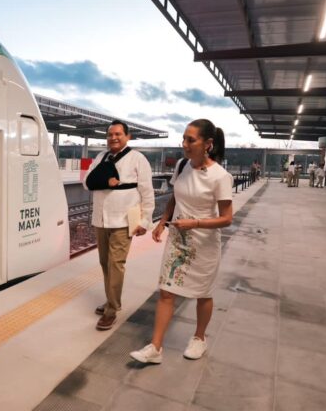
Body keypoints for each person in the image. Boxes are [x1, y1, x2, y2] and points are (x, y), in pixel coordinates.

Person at [130, 119, 233, 364]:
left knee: (202, 294)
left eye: (191, 140)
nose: (184, 144)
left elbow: (227, 219)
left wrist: (195, 223)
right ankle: (156, 348)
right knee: (166, 291)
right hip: (178, 239)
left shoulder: (220, 177)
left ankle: (199, 338)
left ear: (207, 144)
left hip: (204, 245)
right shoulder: (182, 165)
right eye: (184, 138)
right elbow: (174, 198)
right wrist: (163, 221)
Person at [83, 120, 154, 331]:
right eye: (110, 134)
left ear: (128, 136)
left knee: (116, 264)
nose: (113, 138)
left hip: (124, 220)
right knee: (105, 263)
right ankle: (111, 299)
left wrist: (145, 221)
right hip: (101, 219)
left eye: (118, 134)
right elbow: (87, 182)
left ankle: (112, 309)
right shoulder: (100, 157)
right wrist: (106, 181)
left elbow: (147, 192)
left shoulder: (138, 159)